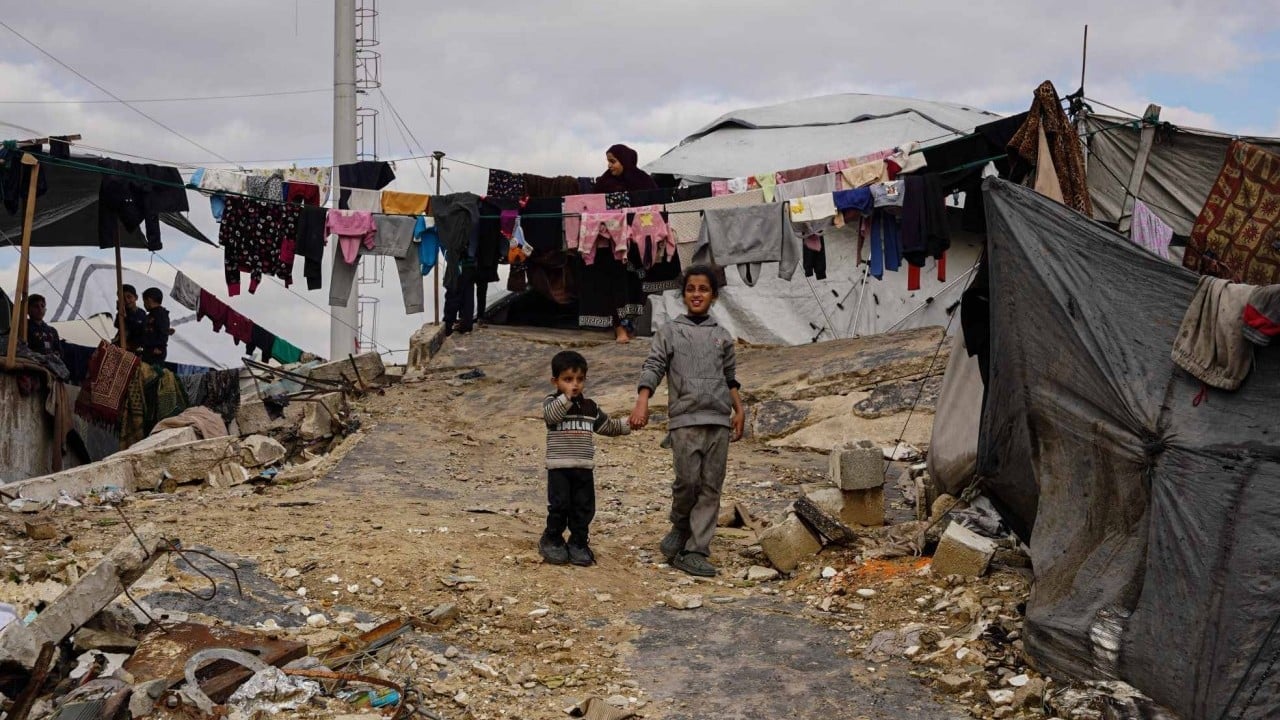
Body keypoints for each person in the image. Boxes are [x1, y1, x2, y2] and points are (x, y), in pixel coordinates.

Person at [630, 265, 744, 577]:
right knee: (687, 482)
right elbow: (653, 366)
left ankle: (695, 550)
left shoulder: (722, 336)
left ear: (714, 296)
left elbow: (730, 378)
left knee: (711, 487)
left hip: (718, 420)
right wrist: (643, 400)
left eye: (703, 289)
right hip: (684, 421)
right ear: (683, 295)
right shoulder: (670, 332)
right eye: (691, 289)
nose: (697, 294)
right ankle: (680, 525)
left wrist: (739, 410)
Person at [540, 350, 630, 567]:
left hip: (583, 467)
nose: (575, 385)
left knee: (583, 507)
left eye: (579, 380)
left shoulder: (590, 406)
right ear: (555, 381)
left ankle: (578, 542)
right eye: (568, 380)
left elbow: (607, 426)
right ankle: (552, 539)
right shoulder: (552, 402)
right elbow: (551, 417)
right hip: (559, 467)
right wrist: (566, 397)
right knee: (560, 505)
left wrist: (630, 424)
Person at [585, 144, 660, 344]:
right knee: (615, 285)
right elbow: (592, 207)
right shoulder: (604, 183)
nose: (610, 166)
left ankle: (632, 325)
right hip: (612, 245)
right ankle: (619, 329)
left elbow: (657, 205)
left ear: (625, 160)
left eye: (613, 161)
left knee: (637, 284)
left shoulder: (644, 181)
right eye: (608, 161)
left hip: (638, 244)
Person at [137, 287, 170, 363]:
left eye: (144, 301)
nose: (144, 304)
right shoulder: (151, 315)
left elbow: (163, 333)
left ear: (149, 300)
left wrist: (158, 348)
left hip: (156, 351)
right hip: (149, 350)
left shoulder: (160, 314)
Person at [25, 294, 62, 358]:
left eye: (42, 306)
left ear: (45, 309)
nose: (40, 309)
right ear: (28, 310)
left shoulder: (52, 331)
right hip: (32, 364)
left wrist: (56, 355)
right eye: (36, 306)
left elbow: (59, 351)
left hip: (51, 365)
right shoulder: (23, 327)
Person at [115, 284, 147, 351]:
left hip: (134, 349)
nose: (126, 300)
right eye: (123, 298)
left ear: (136, 297)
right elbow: (117, 324)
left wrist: (126, 317)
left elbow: (138, 328)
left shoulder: (141, 313)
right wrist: (119, 312)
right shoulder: (123, 312)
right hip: (119, 347)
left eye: (129, 297)